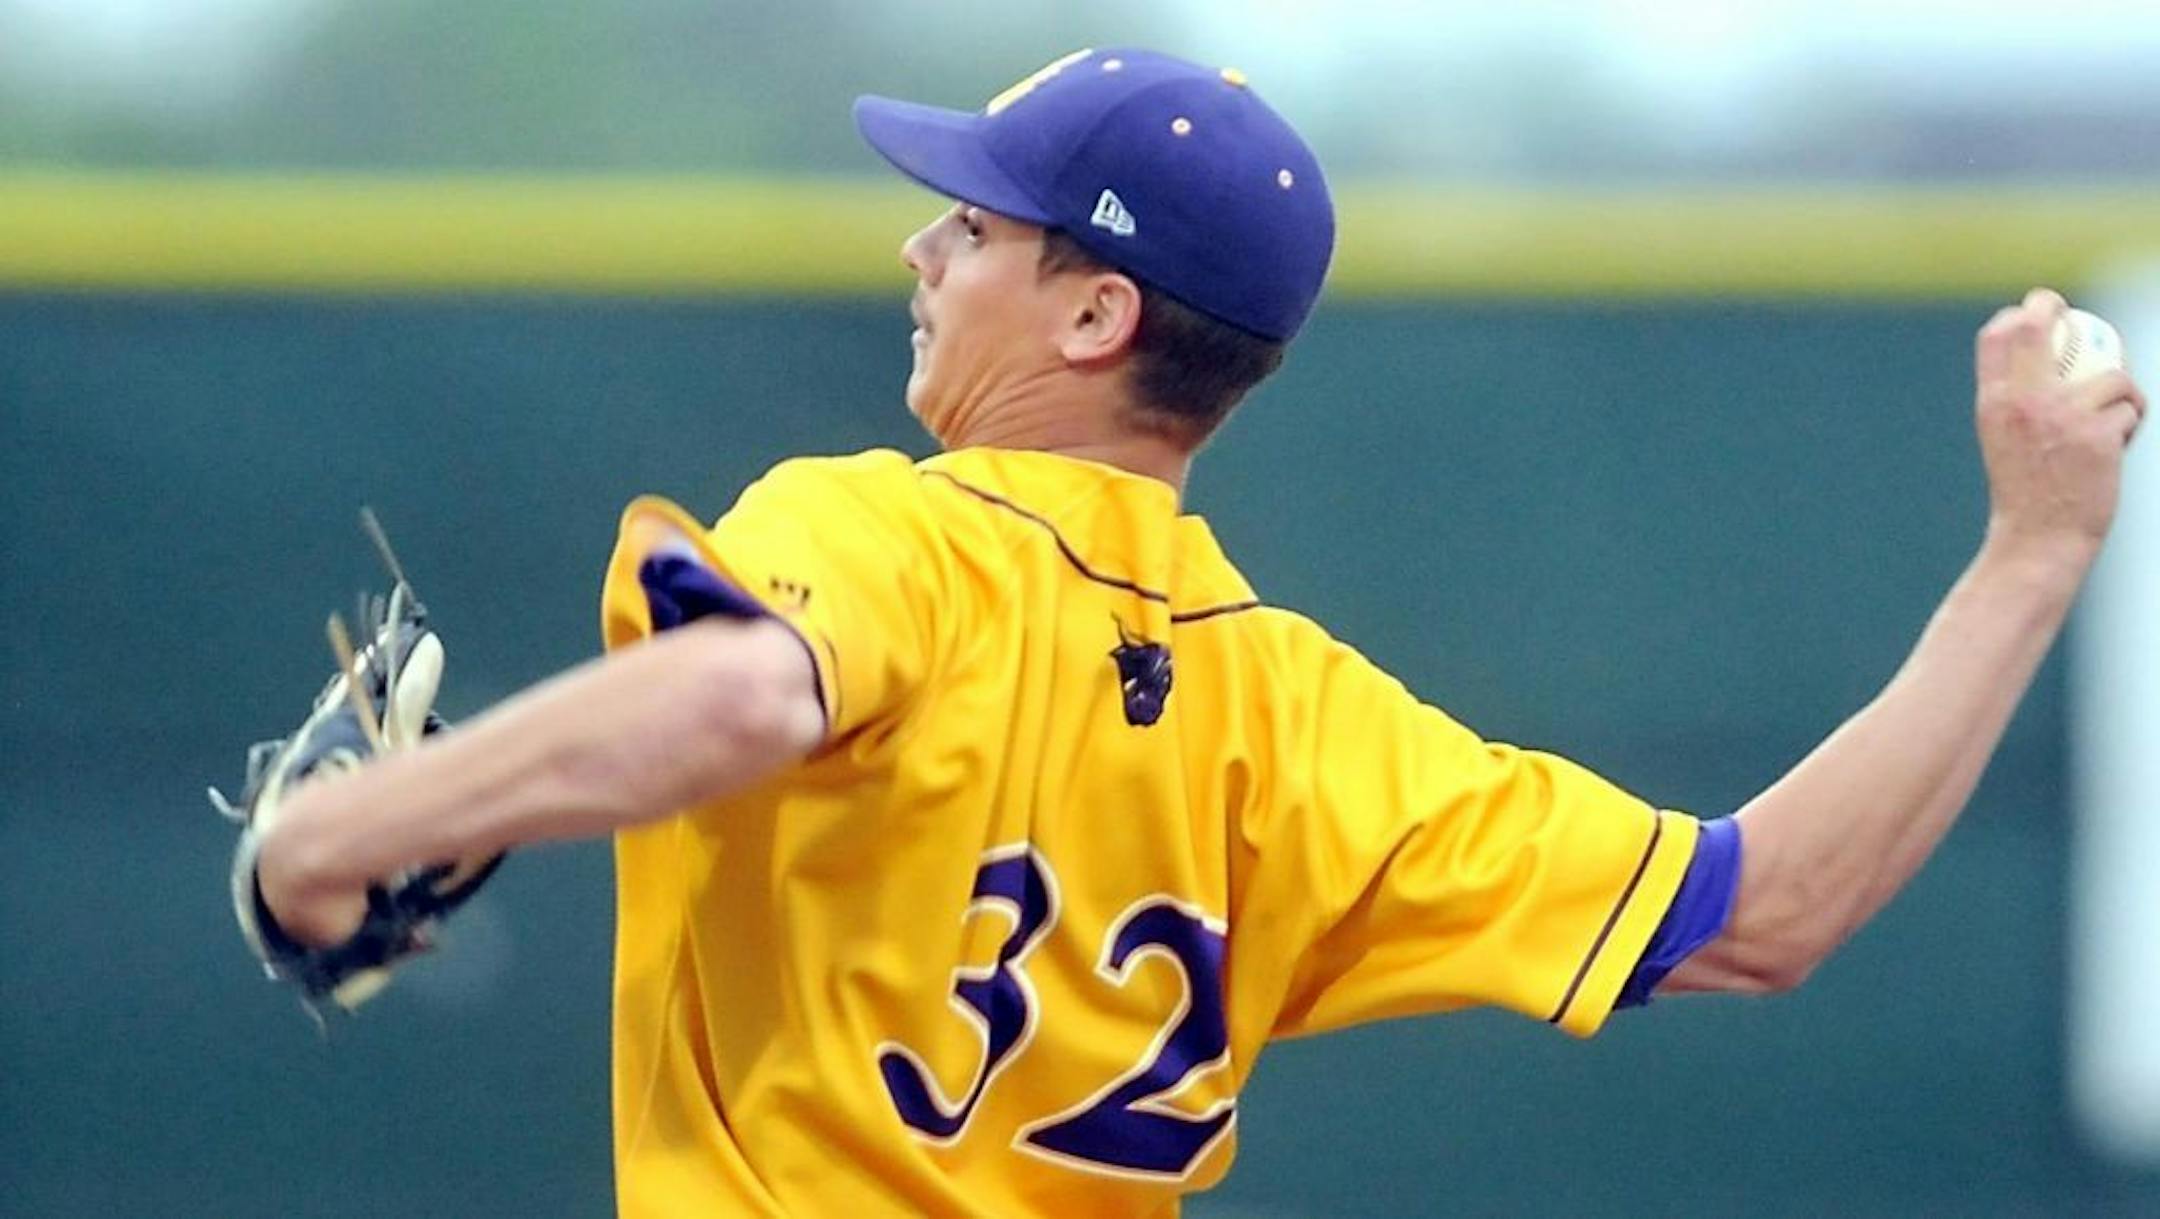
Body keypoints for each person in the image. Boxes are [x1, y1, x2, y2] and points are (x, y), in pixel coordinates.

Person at [251, 47, 2146, 1218]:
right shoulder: (1310, 722)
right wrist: (2034, 551)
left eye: (977, 229)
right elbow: (1770, 910)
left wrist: (347, 836)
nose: (923, 248)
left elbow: (747, 690)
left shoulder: (880, 530)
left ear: (1093, 320)